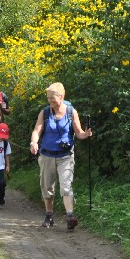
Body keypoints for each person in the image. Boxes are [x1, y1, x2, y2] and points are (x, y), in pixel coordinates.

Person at [29, 82, 92, 229]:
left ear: (61, 96)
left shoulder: (71, 112)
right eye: (48, 97)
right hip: (47, 155)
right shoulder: (45, 113)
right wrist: (34, 142)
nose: (50, 100)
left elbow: (79, 133)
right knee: (47, 187)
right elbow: (37, 131)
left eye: (52, 97)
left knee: (66, 186)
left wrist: (86, 134)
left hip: (65, 156)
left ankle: (70, 216)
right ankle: (49, 216)